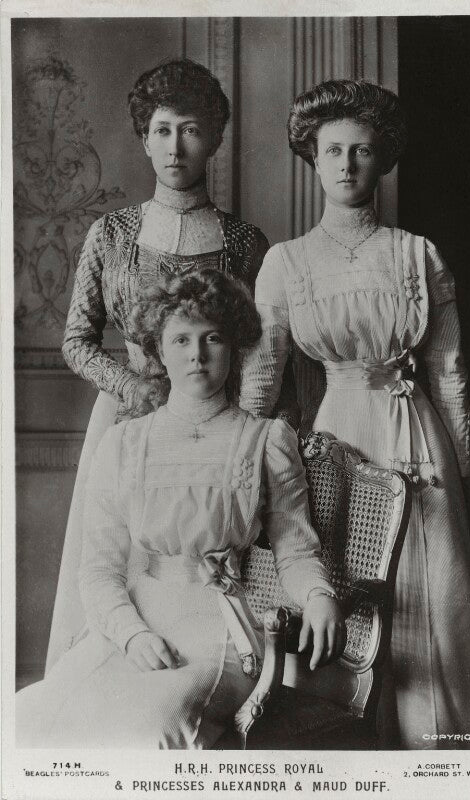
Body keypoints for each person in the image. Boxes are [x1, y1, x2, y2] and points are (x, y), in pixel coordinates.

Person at [239, 79, 470, 749]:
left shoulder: (417, 254)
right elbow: (262, 377)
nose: (347, 164)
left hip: (417, 438)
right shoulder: (285, 264)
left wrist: (460, 474)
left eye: (361, 150)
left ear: (381, 161)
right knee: (347, 588)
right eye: (332, 151)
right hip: (336, 436)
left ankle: (437, 748)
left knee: (431, 593)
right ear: (312, 159)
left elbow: (448, 372)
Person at [16, 269, 345, 749]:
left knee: (150, 732)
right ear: (159, 351)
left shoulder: (265, 440)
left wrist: (317, 594)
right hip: (136, 617)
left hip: (219, 628)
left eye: (212, 338)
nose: (197, 354)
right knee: (27, 718)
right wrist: (131, 635)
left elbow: (295, 549)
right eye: (181, 339)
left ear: (233, 349)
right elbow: (99, 569)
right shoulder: (124, 442)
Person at [46, 58, 270, 671]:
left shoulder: (246, 242)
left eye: (192, 130)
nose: (177, 147)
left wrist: (238, 430)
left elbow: (254, 350)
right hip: (124, 422)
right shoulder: (111, 233)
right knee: (112, 559)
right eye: (164, 130)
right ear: (146, 138)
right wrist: (134, 388)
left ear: (215, 140)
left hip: (213, 427)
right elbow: (77, 339)